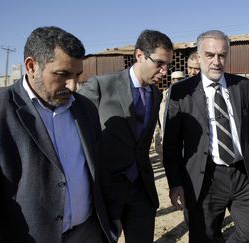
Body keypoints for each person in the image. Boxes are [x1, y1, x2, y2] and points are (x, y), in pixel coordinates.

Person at [0, 26, 115, 243]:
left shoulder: (86, 109)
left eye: (77, 75)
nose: (73, 86)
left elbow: (98, 170)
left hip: (88, 232)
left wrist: (111, 221)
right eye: (62, 74)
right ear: (31, 66)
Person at [163, 30, 249, 242]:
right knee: (205, 236)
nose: (216, 61)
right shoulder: (181, 92)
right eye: (210, 55)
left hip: (242, 174)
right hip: (205, 177)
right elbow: (171, 145)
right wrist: (175, 183)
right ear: (199, 54)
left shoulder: (241, 86)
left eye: (221, 55)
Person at [78, 30, 173, 243]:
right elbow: (78, 134)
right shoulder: (101, 86)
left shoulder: (156, 95)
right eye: (159, 63)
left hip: (142, 191)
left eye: (168, 65)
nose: (165, 71)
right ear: (139, 55)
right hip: (107, 191)